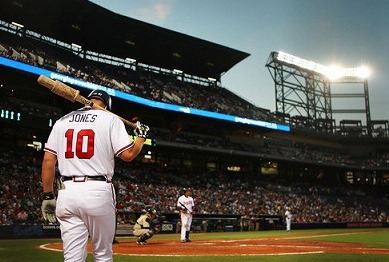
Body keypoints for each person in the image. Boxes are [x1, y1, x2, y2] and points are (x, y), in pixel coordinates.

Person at [40, 89, 149, 262]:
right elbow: (128, 155)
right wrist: (141, 138)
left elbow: (48, 161)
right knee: (103, 255)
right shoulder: (111, 119)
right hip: (97, 190)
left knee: (72, 258)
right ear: (108, 105)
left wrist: (47, 194)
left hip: (66, 192)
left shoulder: (62, 121)